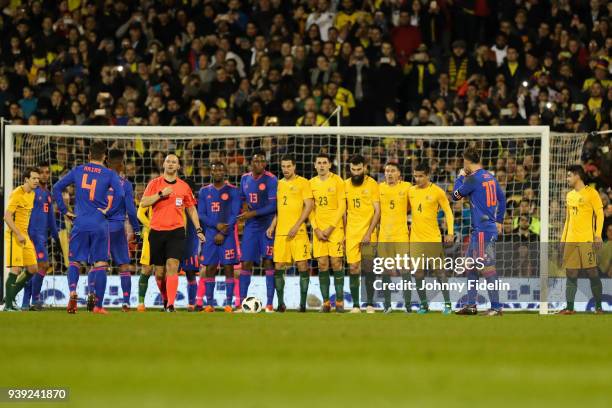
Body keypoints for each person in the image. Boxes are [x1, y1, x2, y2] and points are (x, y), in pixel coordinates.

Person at [52, 141, 124, 314]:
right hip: (100, 223)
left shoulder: (78, 170)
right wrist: (108, 211)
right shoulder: (109, 174)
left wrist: (65, 211)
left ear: (89, 155)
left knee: (75, 261)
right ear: (105, 156)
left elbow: (56, 187)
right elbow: (120, 195)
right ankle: (98, 306)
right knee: (100, 263)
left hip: (80, 222)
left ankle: (73, 291)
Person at [139, 154, 204, 312]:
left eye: (174, 162)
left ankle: (170, 305)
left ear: (178, 167)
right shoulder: (154, 184)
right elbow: (143, 202)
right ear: (163, 164)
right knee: (160, 273)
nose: (170, 164)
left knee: (172, 266)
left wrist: (198, 229)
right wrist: (160, 194)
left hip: (176, 231)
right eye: (168, 161)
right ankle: (166, 298)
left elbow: (191, 208)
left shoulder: (184, 187)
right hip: (156, 231)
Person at [452, 148, 506, 316]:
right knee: (471, 267)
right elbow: (502, 198)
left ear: (467, 162)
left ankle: (496, 307)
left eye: (463, 162)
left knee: (486, 268)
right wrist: (499, 220)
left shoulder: (472, 179)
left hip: (482, 231)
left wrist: (461, 176)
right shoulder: (489, 176)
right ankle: (471, 305)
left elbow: (455, 195)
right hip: (484, 228)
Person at [266, 155, 314, 312]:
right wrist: (272, 226)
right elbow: (280, 209)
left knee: (302, 265)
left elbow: (309, 206)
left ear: (294, 167)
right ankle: (280, 303)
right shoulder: (278, 185)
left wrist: (297, 225)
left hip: (298, 232)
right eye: (283, 166)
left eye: (288, 166)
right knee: (279, 266)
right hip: (281, 233)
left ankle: (302, 304)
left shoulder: (304, 183)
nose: (285, 169)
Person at [408, 162, 454, 314]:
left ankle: (447, 304)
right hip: (415, 239)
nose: (418, 179)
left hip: (432, 238)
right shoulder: (411, 191)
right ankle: (423, 305)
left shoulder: (437, 191)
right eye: (415, 176)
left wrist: (450, 232)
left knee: (439, 271)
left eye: (421, 176)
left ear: (428, 175)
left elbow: (448, 211)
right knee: (418, 272)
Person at [558, 165, 604, 314]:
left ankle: (598, 307)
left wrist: (598, 235)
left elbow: (600, 214)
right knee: (570, 273)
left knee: (592, 272)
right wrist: (563, 240)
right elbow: (568, 219)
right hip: (571, 240)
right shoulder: (569, 195)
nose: (567, 178)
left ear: (577, 175)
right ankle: (570, 308)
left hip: (586, 239)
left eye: (569, 175)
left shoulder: (592, 193)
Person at [236, 152, 278, 312]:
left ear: (265, 164)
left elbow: (273, 207)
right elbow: (241, 199)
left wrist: (251, 213)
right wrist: (241, 214)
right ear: (251, 163)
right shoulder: (245, 178)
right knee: (246, 263)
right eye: (255, 161)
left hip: (267, 225)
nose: (258, 164)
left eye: (262, 161)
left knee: (268, 262)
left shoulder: (271, 179)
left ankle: (269, 304)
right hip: (251, 226)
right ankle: (241, 303)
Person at [197, 162, 240, 312]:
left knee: (229, 267)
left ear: (225, 172)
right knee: (210, 268)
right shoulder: (203, 191)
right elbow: (201, 214)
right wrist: (217, 227)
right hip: (210, 236)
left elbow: (235, 214)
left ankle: (229, 303)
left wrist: (223, 232)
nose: (218, 172)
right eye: (215, 170)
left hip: (227, 236)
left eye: (221, 170)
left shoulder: (234, 191)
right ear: (211, 172)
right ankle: (209, 304)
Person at [309, 152, 346, 312]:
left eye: (325, 162)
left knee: (336, 263)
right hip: (318, 231)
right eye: (319, 162)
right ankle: (325, 302)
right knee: (322, 264)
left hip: (335, 229)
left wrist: (330, 227)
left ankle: (339, 302)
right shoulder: (310, 183)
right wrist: (316, 228)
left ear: (330, 165)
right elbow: (310, 208)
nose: (322, 165)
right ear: (315, 165)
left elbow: (342, 206)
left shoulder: (337, 181)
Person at [344, 155, 380, 313]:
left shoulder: (372, 184)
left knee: (368, 267)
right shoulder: (345, 185)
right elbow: (343, 210)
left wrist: (369, 233)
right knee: (353, 268)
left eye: (359, 169)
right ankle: (356, 305)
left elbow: (378, 211)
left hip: (368, 233)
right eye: (353, 169)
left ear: (365, 168)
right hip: (352, 233)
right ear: (350, 168)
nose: (356, 172)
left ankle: (370, 303)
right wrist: (346, 231)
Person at [105, 149, 140, 312]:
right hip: (118, 227)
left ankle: (94, 300)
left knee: (98, 265)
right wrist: (137, 230)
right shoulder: (124, 184)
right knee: (124, 266)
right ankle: (126, 302)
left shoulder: (98, 179)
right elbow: (132, 211)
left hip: (99, 227)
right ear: (120, 164)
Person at [22, 163, 59, 311]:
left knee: (36, 268)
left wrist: (56, 237)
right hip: (32, 235)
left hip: (42, 237)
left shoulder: (48, 195)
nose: (44, 175)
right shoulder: (32, 192)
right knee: (41, 265)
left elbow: (51, 219)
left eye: (46, 172)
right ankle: (34, 299)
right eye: (41, 173)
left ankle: (26, 302)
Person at [3, 167, 40, 311]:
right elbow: (7, 216)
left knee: (33, 268)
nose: (37, 181)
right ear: (26, 179)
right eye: (34, 178)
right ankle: (8, 306)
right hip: (15, 235)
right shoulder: (17, 194)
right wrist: (18, 233)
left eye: (37, 178)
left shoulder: (32, 194)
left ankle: (10, 297)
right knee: (16, 269)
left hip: (25, 235)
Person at [378, 162, 411, 313]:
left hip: (401, 234)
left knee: (405, 269)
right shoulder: (379, 188)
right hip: (384, 235)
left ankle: (408, 305)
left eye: (392, 171)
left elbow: (412, 205)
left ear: (399, 174)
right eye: (387, 171)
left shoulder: (407, 187)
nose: (389, 174)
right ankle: (387, 305)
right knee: (386, 270)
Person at [136, 204, 153, 311]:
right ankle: (141, 303)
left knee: (164, 271)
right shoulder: (151, 192)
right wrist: (151, 226)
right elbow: (140, 214)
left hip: (169, 233)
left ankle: (167, 303)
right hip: (151, 234)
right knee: (147, 268)